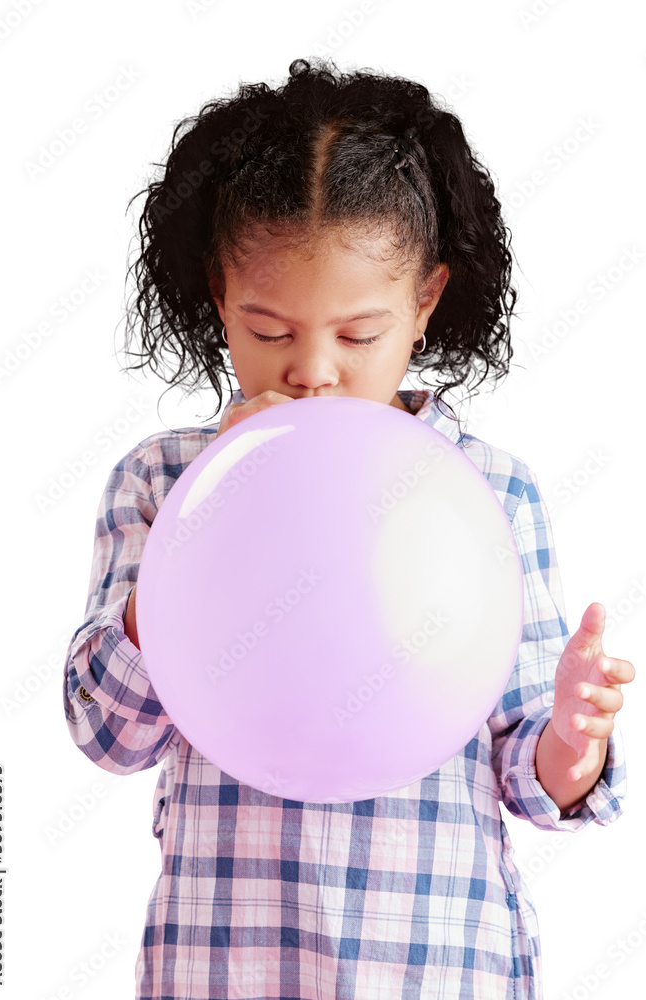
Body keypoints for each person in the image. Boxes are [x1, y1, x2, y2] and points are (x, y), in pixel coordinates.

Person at [62, 57, 634, 999]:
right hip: (222, 966)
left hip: (440, 969)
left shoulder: (489, 492)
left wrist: (571, 735)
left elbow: (534, 780)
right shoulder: (162, 480)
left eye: (356, 335)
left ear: (425, 303)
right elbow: (104, 733)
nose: (314, 371)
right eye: (270, 331)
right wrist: (194, 539)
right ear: (216, 299)